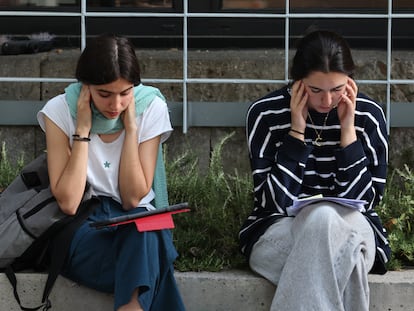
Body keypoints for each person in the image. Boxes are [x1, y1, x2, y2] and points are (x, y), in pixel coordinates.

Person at [239, 30, 391, 311]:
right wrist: (297, 132)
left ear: (350, 81)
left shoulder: (368, 115)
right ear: (298, 82)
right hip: (280, 230)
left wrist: (348, 132)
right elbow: (273, 202)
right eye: (316, 90)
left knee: (323, 218)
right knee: (348, 259)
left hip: (353, 226)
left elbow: (367, 201)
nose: (327, 101)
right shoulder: (266, 114)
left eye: (337, 89)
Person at [37, 34, 186, 311]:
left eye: (125, 93)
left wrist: (131, 131)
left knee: (142, 227)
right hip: (82, 228)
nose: (116, 105)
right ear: (86, 87)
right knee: (150, 247)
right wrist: (82, 131)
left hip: (137, 226)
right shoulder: (60, 111)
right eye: (104, 94)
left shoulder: (151, 106)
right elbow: (68, 203)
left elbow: (132, 199)